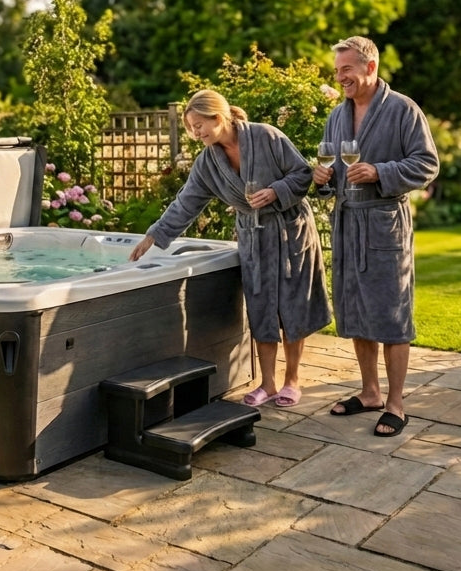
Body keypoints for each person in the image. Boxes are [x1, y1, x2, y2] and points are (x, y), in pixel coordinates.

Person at [130, 89, 332, 408]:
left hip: (290, 230)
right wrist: (154, 235)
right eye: (191, 128)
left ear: (218, 117)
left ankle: (292, 381)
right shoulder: (208, 162)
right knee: (261, 308)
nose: (196, 133)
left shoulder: (266, 136)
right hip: (254, 235)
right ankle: (267, 383)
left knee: (295, 306)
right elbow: (186, 202)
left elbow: (302, 174)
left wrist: (276, 192)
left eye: (200, 125)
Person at [311, 36, 439, 437]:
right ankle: (369, 393)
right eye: (337, 71)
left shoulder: (403, 110)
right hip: (348, 222)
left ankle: (397, 403)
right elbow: (334, 172)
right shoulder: (337, 116)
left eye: (346, 69)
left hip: (385, 223)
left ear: (369, 67)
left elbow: (427, 163)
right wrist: (322, 180)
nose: (340, 77)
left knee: (390, 313)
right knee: (356, 311)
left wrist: (380, 172)